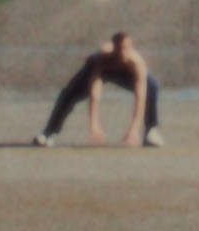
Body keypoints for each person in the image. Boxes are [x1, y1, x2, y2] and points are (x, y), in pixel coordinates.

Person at [35, 31, 167, 147]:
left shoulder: (136, 63)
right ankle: (48, 133)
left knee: (152, 87)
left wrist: (133, 129)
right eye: (119, 49)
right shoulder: (102, 59)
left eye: (126, 48)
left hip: (126, 73)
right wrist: (94, 125)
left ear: (131, 48)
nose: (122, 53)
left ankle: (150, 131)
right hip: (103, 70)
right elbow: (95, 94)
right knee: (68, 94)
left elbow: (140, 98)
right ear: (114, 48)